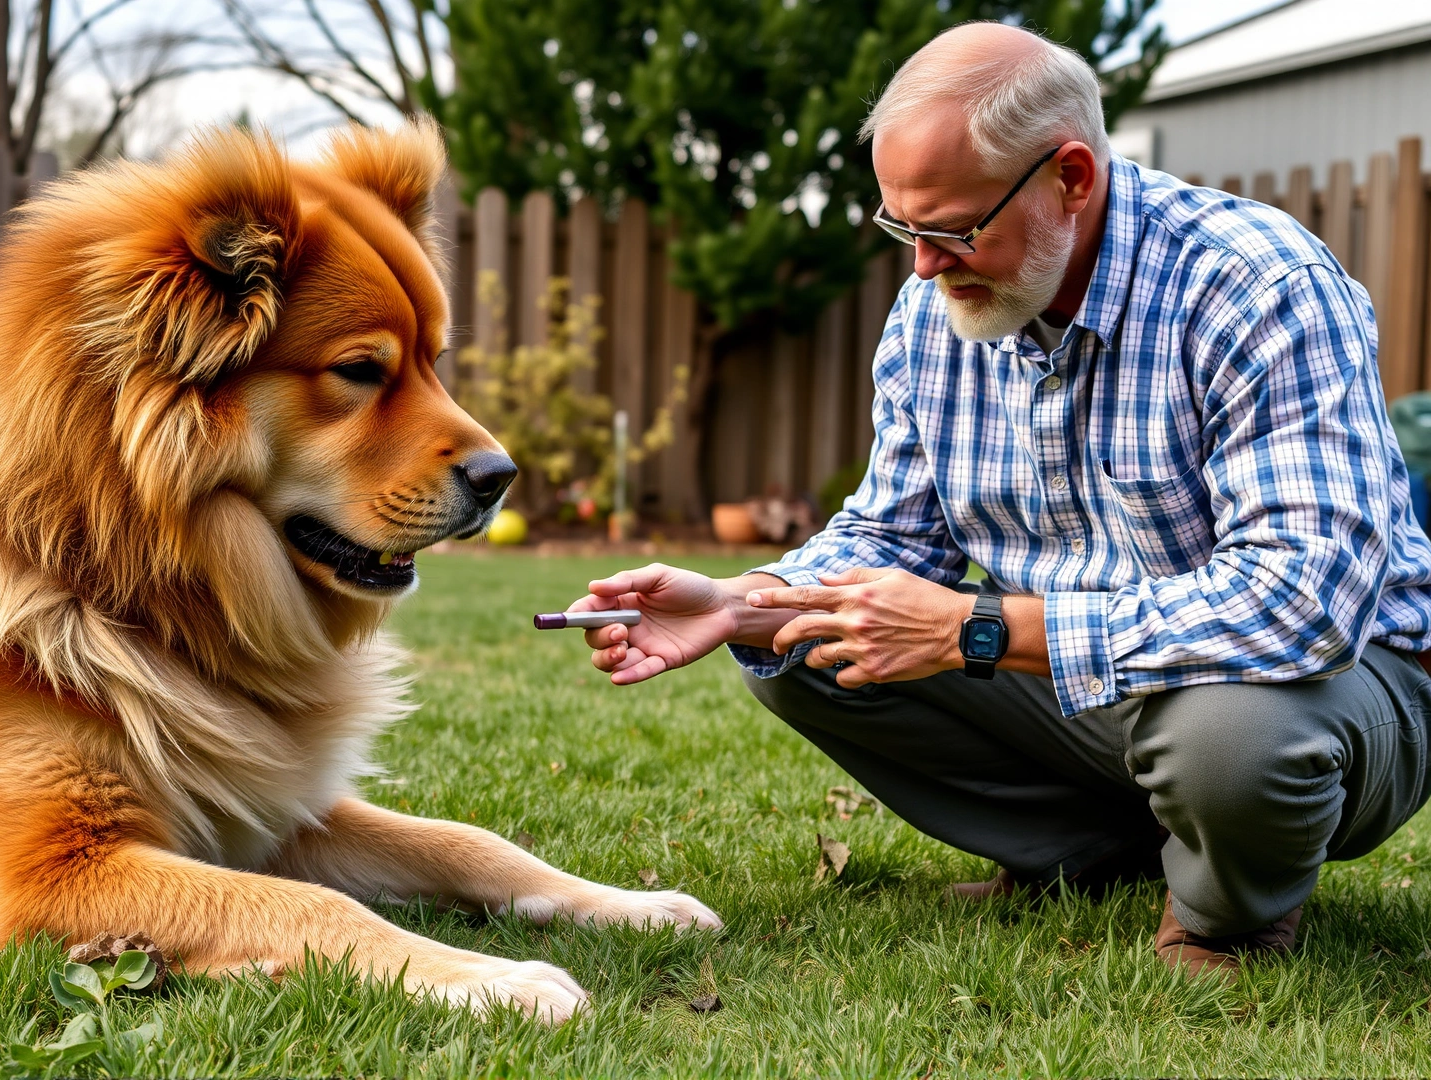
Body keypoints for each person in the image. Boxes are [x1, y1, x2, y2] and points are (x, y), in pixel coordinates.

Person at [566, 21, 1431, 980]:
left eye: (954, 228)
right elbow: (893, 535)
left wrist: (978, 629)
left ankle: (1230, 914)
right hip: (1091, 680)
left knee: (1232, 733)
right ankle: (1098, 856)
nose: (924, 266)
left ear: (1072, 176)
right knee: (803, 640)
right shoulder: (941, 309)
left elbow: (1302, 603)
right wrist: (743, 599)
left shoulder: (1257, 286)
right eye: (904, 228)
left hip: (1330, 684)